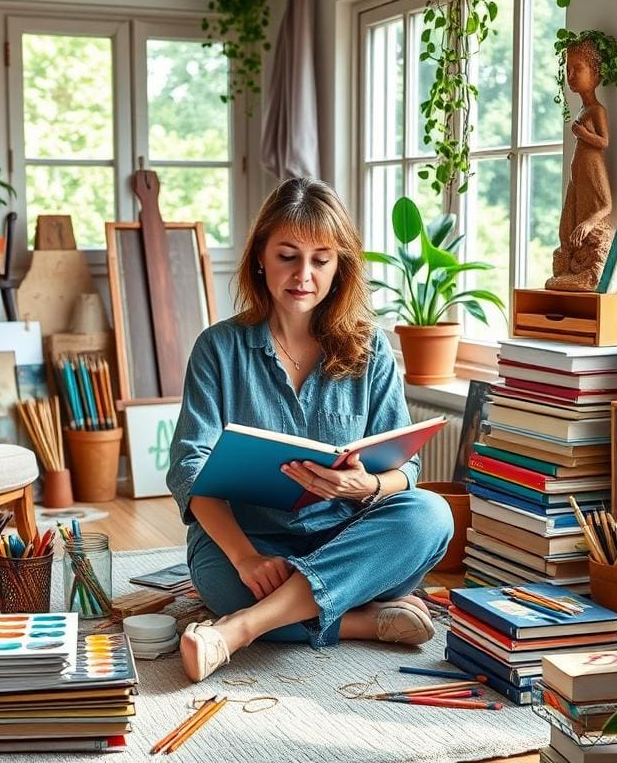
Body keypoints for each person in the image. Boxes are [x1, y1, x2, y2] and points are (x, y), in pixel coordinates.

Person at [167, 178, 453, 683]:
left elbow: (406, 467)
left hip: (347, 538)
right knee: (224, 584)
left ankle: (247, 627)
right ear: (260, 257)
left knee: (431, 514)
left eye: (321, 260)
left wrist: (369, 485)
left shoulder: (371, 348)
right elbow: (190, 470)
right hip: (250, 540)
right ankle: (363, 622)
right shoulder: (218, 348)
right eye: (288, 256)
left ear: (340, 265)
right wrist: (246, 557)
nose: (304, 275)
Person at [547, 39, 614, 292]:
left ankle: (589, 275)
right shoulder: (583, 110)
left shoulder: (596, 110)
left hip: (590, 172)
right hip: (578, 178)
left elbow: (604, 142)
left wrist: (582, 134)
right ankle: (568, 271)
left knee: (586, 233)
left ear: (595, 73)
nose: (571, 76)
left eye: (578, 69)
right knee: (565, 230)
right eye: (568, 71)